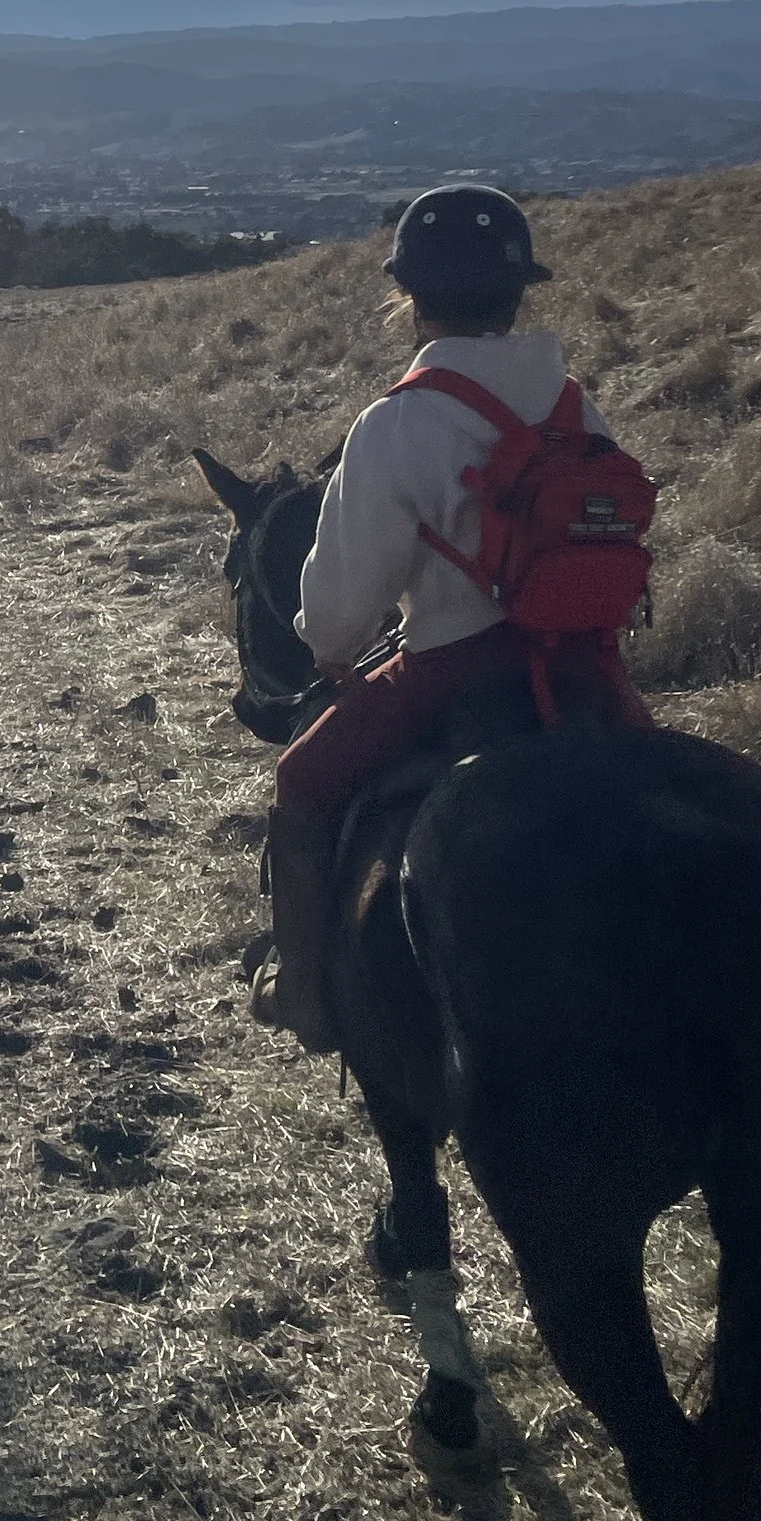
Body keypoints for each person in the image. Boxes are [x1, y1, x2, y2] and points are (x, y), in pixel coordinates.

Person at [256, 182, 646, 1055]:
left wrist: (328, 647)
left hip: (449, 667)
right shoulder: (579, 408)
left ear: (412, 297)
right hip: (588, 667)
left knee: (301, 784)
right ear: (518, 295)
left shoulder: (396, 423)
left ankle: (307, 995)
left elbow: (338, 612)